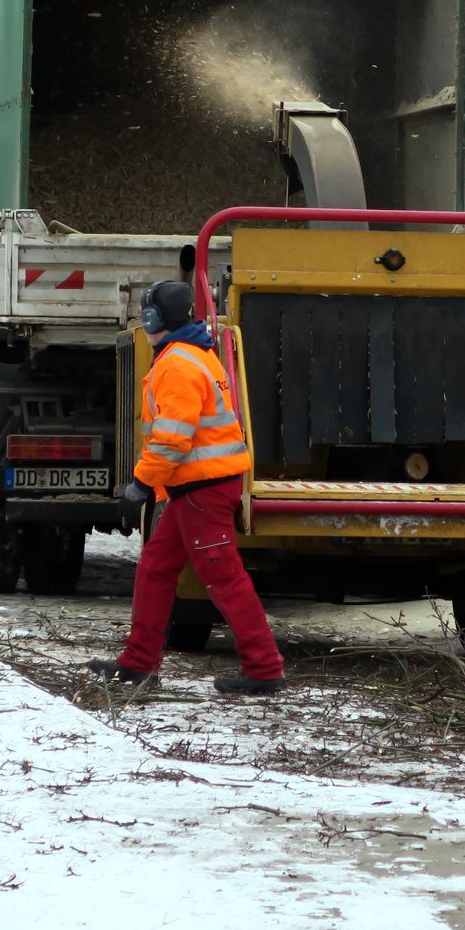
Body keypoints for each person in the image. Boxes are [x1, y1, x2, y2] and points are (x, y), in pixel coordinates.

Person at [87, 281, 286, 695]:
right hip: (196, 489)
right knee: (156, 570)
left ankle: (264, 669)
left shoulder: (177, 363)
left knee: (224, 577)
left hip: (202, 489)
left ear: (154, 319)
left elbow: (172, 438)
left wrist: (142, 482)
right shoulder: (196, 354)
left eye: (147, 314)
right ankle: (139, 662)